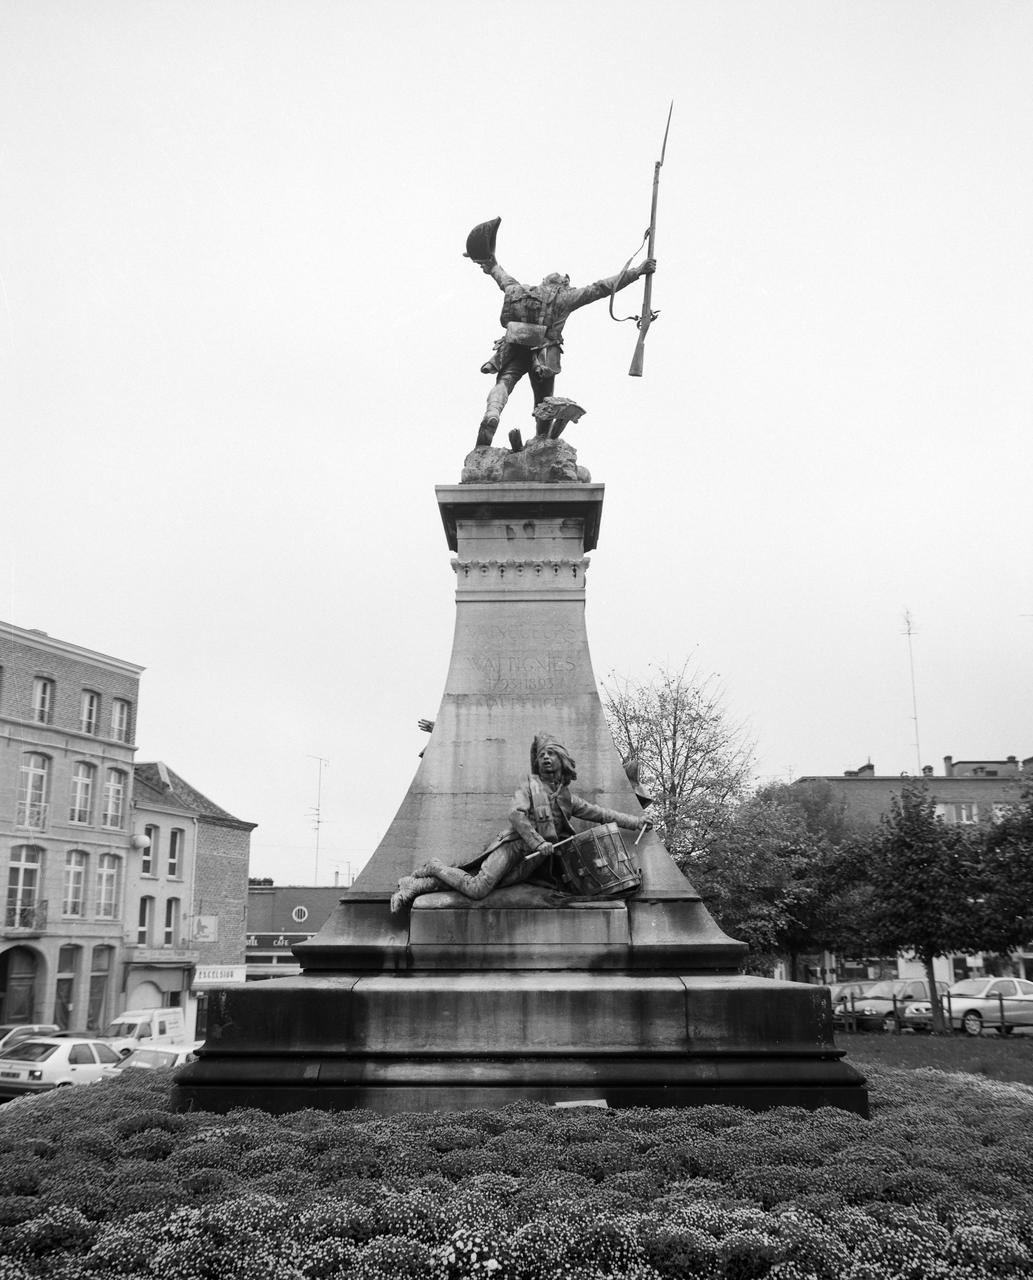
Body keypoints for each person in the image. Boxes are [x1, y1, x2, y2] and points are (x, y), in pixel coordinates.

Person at [390, 732, 650, 912]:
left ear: (562, 761)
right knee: (479, 887)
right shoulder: (530, 788)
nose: (546, 758)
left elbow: (602, 814)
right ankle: (434, 866)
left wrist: (636, 822)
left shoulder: (569, 800)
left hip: (534, 860)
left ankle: (417, 885)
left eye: (551, 754)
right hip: (514, 847)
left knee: (491, 885)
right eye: (542, 755)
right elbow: (516, 815)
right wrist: (538, 842)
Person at [471, 253, 656, 448]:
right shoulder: (564, 297)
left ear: (543, 282)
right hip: (543, 355)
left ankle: (492, 413)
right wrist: (637, 272)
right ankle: (541, 438)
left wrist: (490, 263)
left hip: (514, 347)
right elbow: (600, 288)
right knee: (544, 400)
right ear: (562, 284)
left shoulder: (517, 290)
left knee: (503, 383)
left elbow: (501, 276)